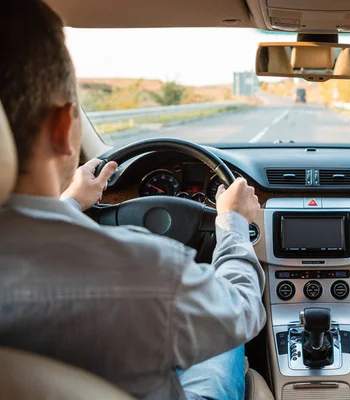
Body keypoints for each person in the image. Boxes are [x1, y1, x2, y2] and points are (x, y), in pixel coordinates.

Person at [0, 1, 266, 400]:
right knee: (221, 341)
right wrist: (232, 225)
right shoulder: (148, 273)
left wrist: (70, 202)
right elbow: (242, 310)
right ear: (63, 127)